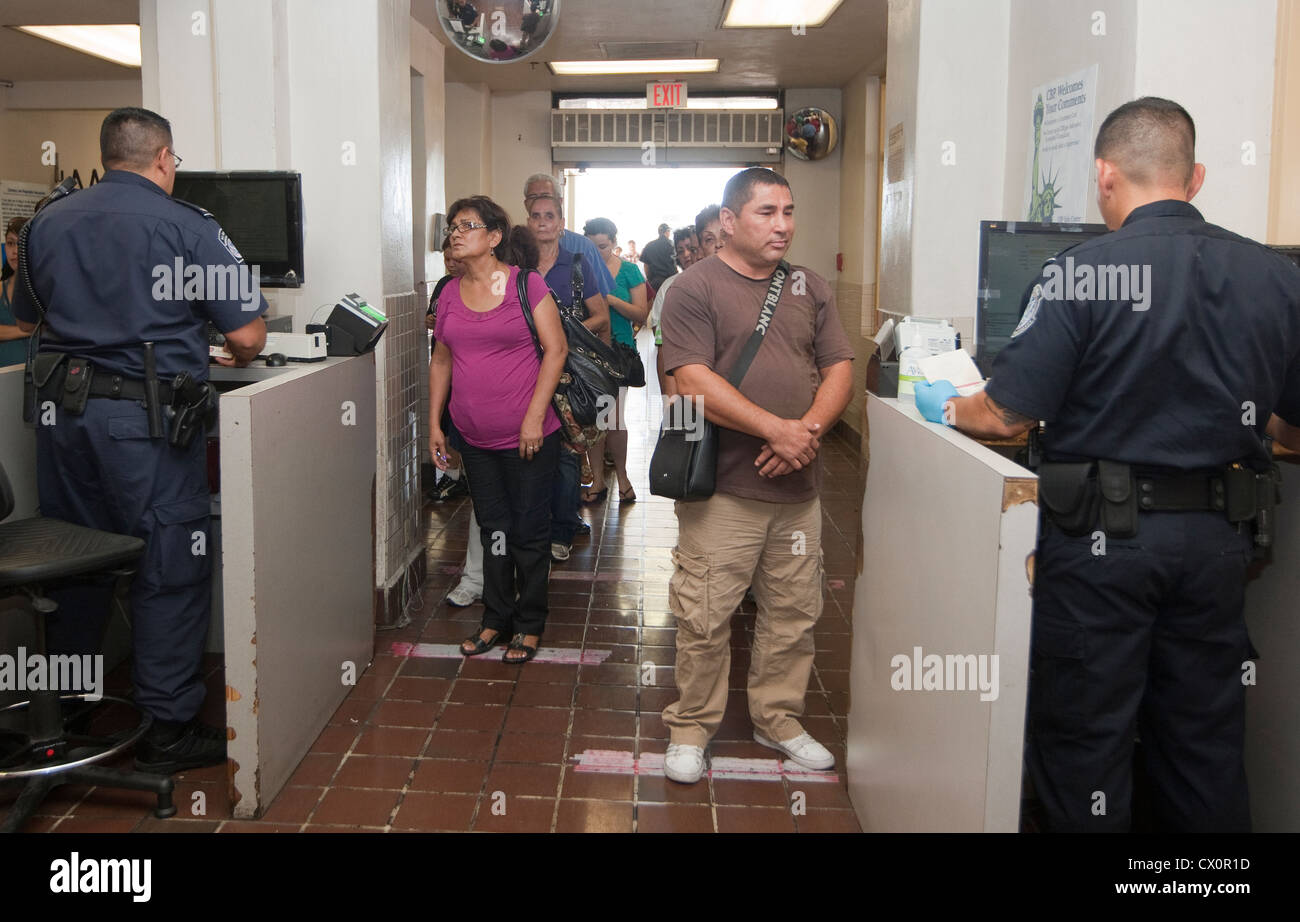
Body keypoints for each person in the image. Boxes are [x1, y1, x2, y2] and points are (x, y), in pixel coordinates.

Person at [914, 97, 1300, 832]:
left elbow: (1007, 413)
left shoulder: (1079, 273)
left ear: (1103, 176)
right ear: (1197, 177)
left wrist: (949, 404)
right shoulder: (1274, 277)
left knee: (1086, 738)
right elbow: (1293, 426)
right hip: (1222, 543)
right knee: (1203, 742)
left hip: (1103, 545)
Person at [11, 106, 269, 773]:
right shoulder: (188, 226)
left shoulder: (46, 221)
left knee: (78, 557)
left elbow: (25, 313)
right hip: (145, 426)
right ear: (162, 158)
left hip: (62, 421)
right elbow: (247, 335)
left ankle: (65, 709)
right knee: (169, 567)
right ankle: (168, 728)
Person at [658, 168, 854, 784]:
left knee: (793, 613)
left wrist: (807, 434)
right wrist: (777, 429)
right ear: (728, 219)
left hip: (795, 488)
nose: (783, 225)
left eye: (789, 211)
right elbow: (689, 380)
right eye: (767, 212)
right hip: (725, 489)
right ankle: (691, 727)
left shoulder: (810, 287)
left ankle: (778, 718)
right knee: (705, 614)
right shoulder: (694, 288)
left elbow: (840, 367)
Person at [429, 195, 567, 664]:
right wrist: (435, 424)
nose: (456, 233)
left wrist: (532, 417)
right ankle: (495, 619)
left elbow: (556, 350)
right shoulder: (448, 293)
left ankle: (529, 624)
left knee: (529, 531)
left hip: (529, 437)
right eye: (453, 226)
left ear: (493, 238)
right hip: (475, 439)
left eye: (468, 225)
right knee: (494, 530)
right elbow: (442, 359)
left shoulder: (525, 286)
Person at [526, 192, 608, 561]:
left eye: (549, 216)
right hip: (525, 370)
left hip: (568, 374)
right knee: (532, 448)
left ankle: (562, 527)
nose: (542, 221)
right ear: (528, 223)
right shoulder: (517, 268)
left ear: (561, 225)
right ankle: (536, 525)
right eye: (535, 215)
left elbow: (601, 316)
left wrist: (565, 336)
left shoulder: (577, 264)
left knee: (567, 451)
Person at [583, 216, 648, 504]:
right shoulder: (581, 270)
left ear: (614, 242)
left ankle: (622, 476)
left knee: (615, 419)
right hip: (588, 351)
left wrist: (609, 300)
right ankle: (598, 480)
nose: (599, 253)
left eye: (604, 246)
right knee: (594, 419)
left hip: (619, 351)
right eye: (593, 247)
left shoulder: (630, 271)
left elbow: (641, 315)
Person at [651, 214, 718, 395]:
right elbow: (663, 350)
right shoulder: (671, 289)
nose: (689, 255)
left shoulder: (728, 286)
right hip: (689, 393)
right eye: (682, 251)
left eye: (693, 249)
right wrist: (671, 407)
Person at [1, 216, 33, 367]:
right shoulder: (1, 288)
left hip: (40, 374)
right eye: (10, 243)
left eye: (20, 243)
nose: (14, 251)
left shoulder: (45, 286)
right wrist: (32, 330)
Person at [641, 222, 677, 291]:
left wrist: (650, 280)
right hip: (671, 281)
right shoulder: (672, 244)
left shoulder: (649, 245)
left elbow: (646, 265)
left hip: (655, 282)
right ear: (667, 232)